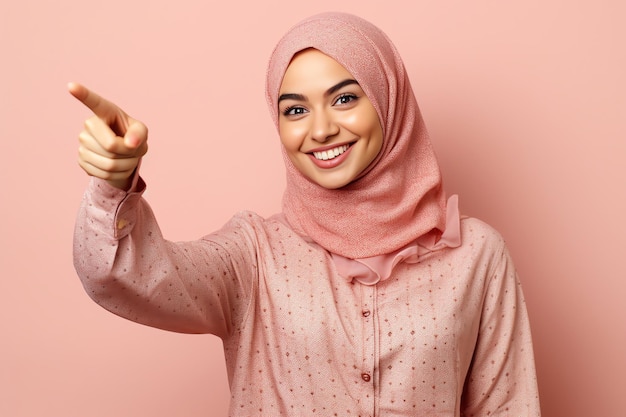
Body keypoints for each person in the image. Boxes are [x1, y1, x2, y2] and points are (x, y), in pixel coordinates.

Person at [70, 12, 541, 416]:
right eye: (295, 110)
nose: (320, 129)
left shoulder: (476, 256)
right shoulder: (254, 256)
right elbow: (121, 276)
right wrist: (114, 182)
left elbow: (507, 407)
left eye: (344, 99)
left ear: (389, 99)